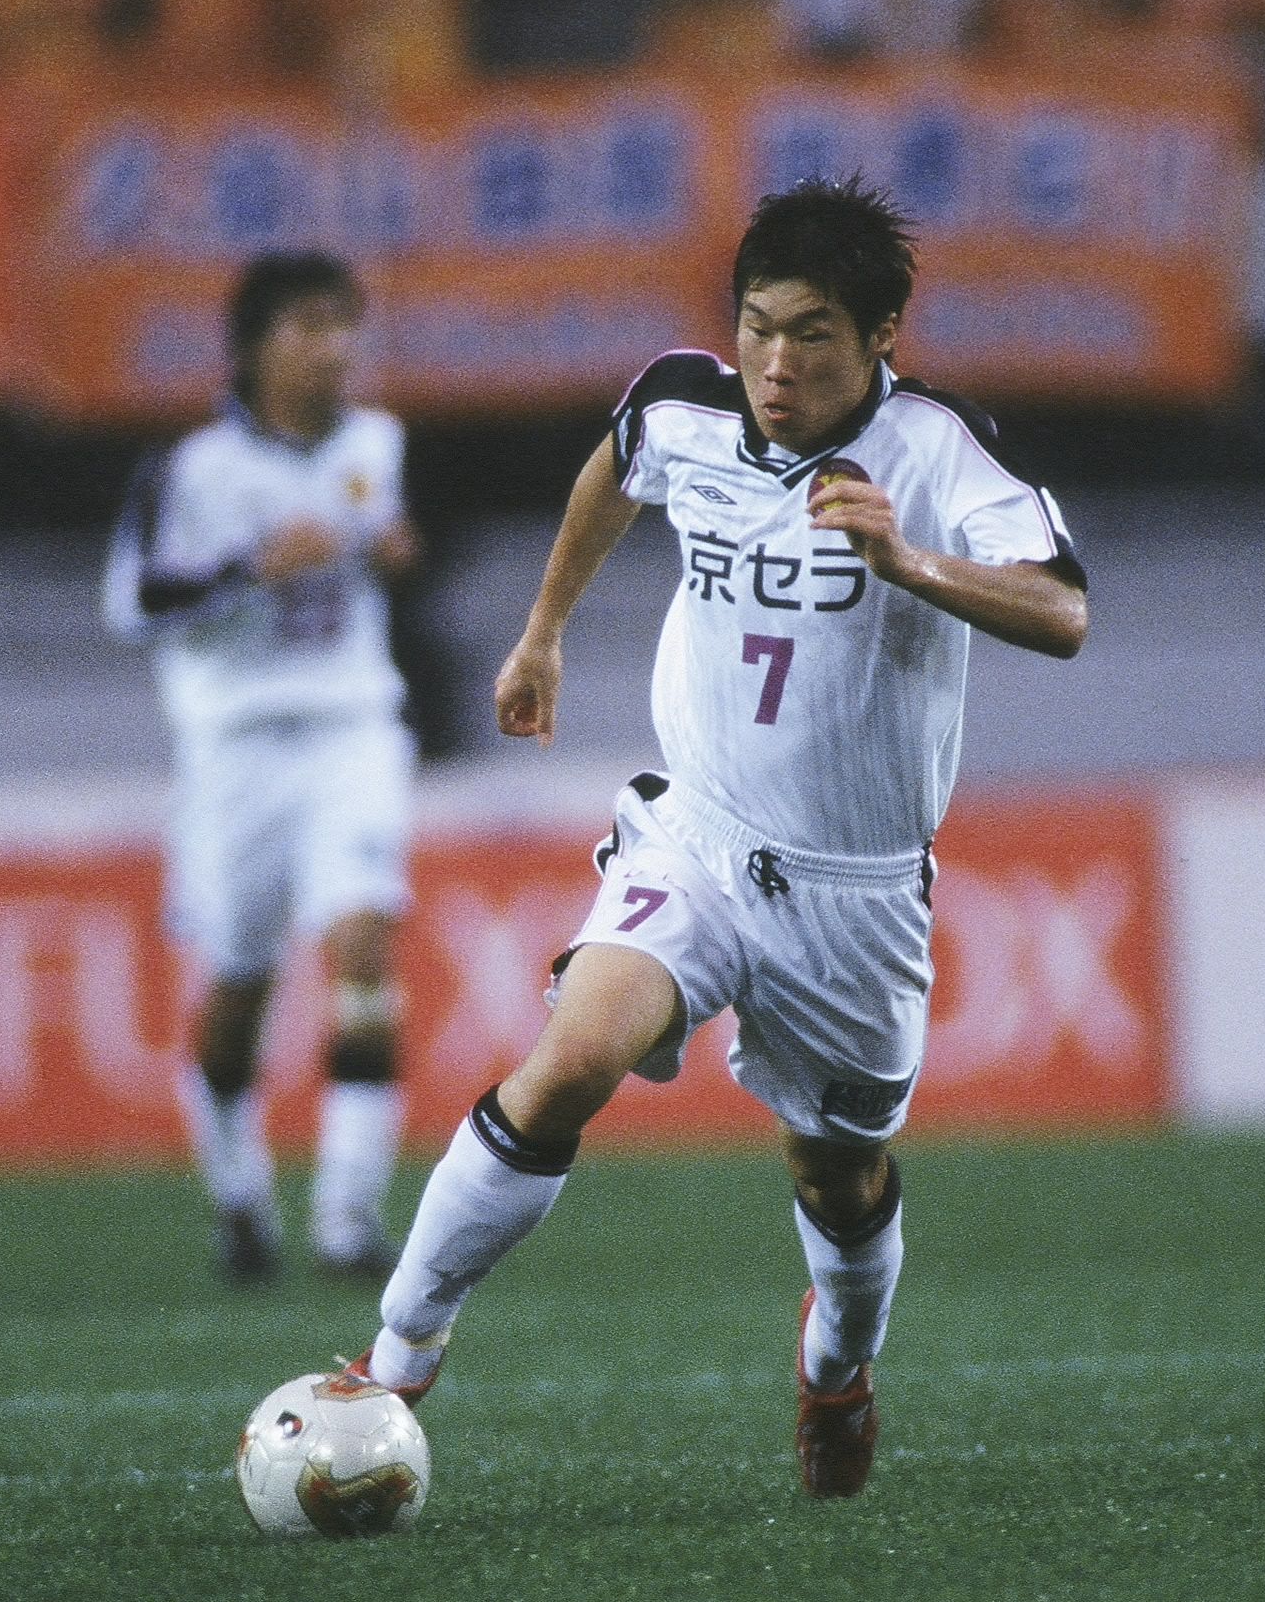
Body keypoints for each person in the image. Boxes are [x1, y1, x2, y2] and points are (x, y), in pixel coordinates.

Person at [315, 175, 1088, 1498]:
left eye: (813, 337)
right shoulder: (685, 403)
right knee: (569, 1060)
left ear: (884, 335)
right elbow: (618, 466)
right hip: (699, 838)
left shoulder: (938, 455)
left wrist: (911, 566)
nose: (775, 365)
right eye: (757, 326)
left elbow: (1060, 612)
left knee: (839, 1179)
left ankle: (837, 1369)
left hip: (853, 895)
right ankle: (390, 1360)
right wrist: (544, 627)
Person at [103, 252, 422, 1286]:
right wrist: (247, 569)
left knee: (364, 945)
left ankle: (346, 1216)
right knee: (238, 987)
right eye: (308, 326)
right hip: (233, 743)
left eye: (344, 325)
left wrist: (390, 554)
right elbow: (130, 604)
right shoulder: (191, 468)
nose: (334, 348)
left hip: (351, 727)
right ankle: (240, 1193)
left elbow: (377, 547)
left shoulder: (378, 442)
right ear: (252, 346)